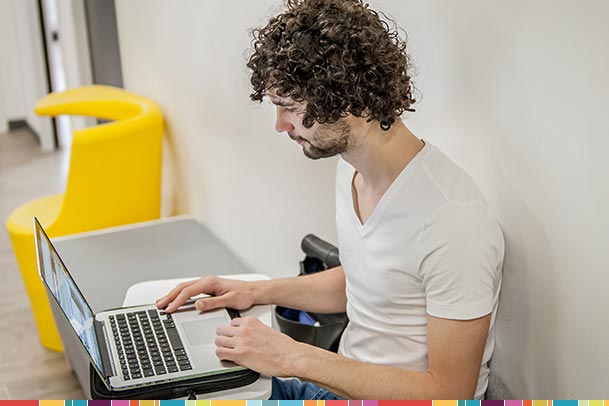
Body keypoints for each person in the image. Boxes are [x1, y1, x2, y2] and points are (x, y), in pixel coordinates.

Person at [156, 0, 504, 400]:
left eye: (289, 108)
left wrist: (292, 357)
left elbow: (450, 392)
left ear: (345, 97)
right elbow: (367, 283)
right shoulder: (351, 169)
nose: (280, 125)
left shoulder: (451, 221)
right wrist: (256, 291)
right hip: (337, 387)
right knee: (177, 385)